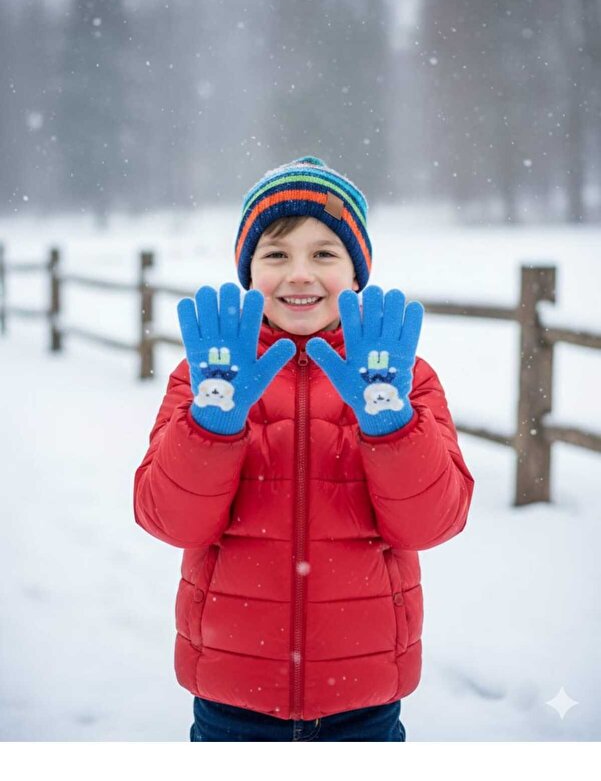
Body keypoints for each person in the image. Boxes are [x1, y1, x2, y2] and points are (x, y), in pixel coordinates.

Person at [133, 156, 475, 742]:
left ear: (356, 272)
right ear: (248, 272)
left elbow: (431, 524)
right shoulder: (203, 378)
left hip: (362, 702)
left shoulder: (405, 381)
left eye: (324, 254)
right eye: (276, 254)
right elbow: (170, 519)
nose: (299, 274)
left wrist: (391, 426)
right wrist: (211, 426)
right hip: (232, 697)